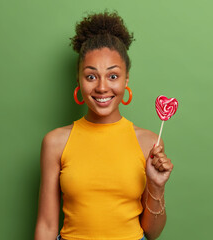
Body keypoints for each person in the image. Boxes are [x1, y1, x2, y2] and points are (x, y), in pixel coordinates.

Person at [34, 10, 174, 240]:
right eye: (91, 76)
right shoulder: (55, 142)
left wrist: (157, 185)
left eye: (112, 76)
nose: (101, 87)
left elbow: (152, 232)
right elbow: (47, 225)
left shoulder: (149, 142)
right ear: (79, 79)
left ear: (126, 79)